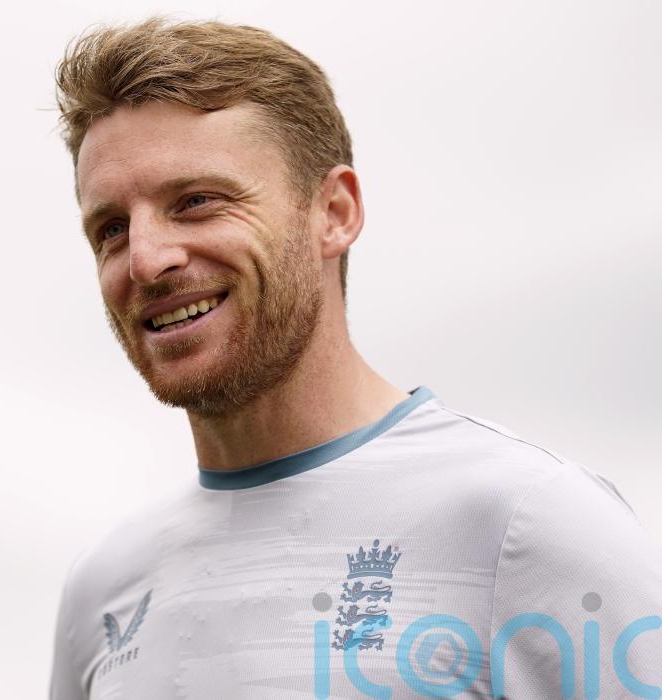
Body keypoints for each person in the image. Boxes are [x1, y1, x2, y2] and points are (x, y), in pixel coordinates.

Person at [47, 17, 662, 700]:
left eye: (196, 202)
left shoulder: (528, 523)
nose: (145, 259)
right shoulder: (102, 589)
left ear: (335, 212)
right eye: (111, 228)